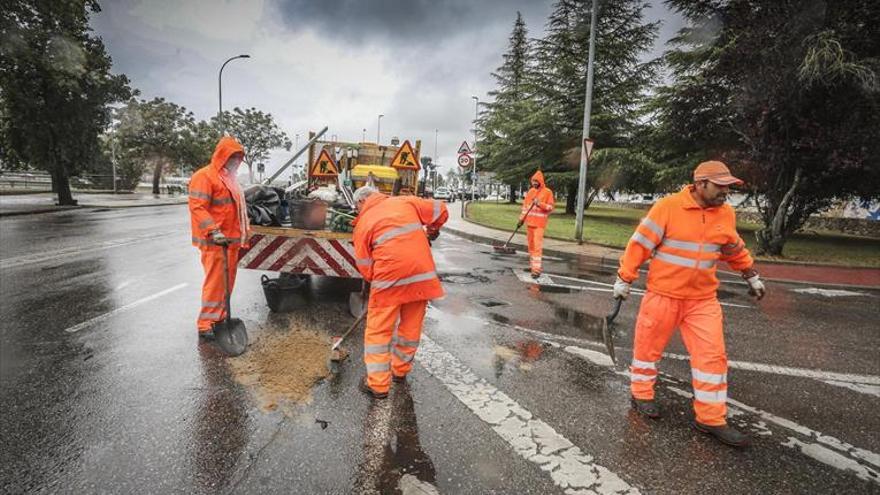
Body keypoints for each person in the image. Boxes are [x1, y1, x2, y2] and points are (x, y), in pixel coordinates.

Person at [614, 160, 766, 448]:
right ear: (700, 184)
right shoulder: (668, 207)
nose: (726, 192)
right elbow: (640, 244)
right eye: (720, 186)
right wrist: (624, 277)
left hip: (702, 300)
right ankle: (642, 394)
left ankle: (711, 418)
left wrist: (751, 275)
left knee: (712, 357)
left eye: (728, 187)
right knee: (647, 349)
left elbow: (733, 249)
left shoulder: (726, 214)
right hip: (663, 295)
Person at [351, 186, 448, 399]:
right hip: (421, 278)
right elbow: (441, 210)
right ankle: (400, 372)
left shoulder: (363, 224)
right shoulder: (405, 202)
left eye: (356, 208)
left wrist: (374, 280)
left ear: (361, 203)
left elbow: (365, 265)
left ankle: (378, 385)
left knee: (378, 332)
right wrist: (433, 229)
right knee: (410, 328)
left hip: (388, 282)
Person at [188, 136, 249, 337]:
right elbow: (198, 207)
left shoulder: (228, 179)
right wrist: (214, 231)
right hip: (215, 242)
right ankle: (206, 324)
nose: (235, 162)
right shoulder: (204, 176)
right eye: (232, 157)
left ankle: (220, 317)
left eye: (238, 158)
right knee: (215, 284)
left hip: (230, 242)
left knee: (227, 283)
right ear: (222, 156)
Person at [519, 170, 554, 278]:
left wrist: (540, 204)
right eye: (533, 181)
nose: (534, 183)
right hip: (529, 223)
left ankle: (536, 270)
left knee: (537, 247)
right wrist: (521, 220)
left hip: (539, 224)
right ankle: (532, 266)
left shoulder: (548, 192)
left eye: (536, 181)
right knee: (531, 247)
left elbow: (550, 207)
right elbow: (525, 208)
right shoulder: (530, 192)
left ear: (540, 181)